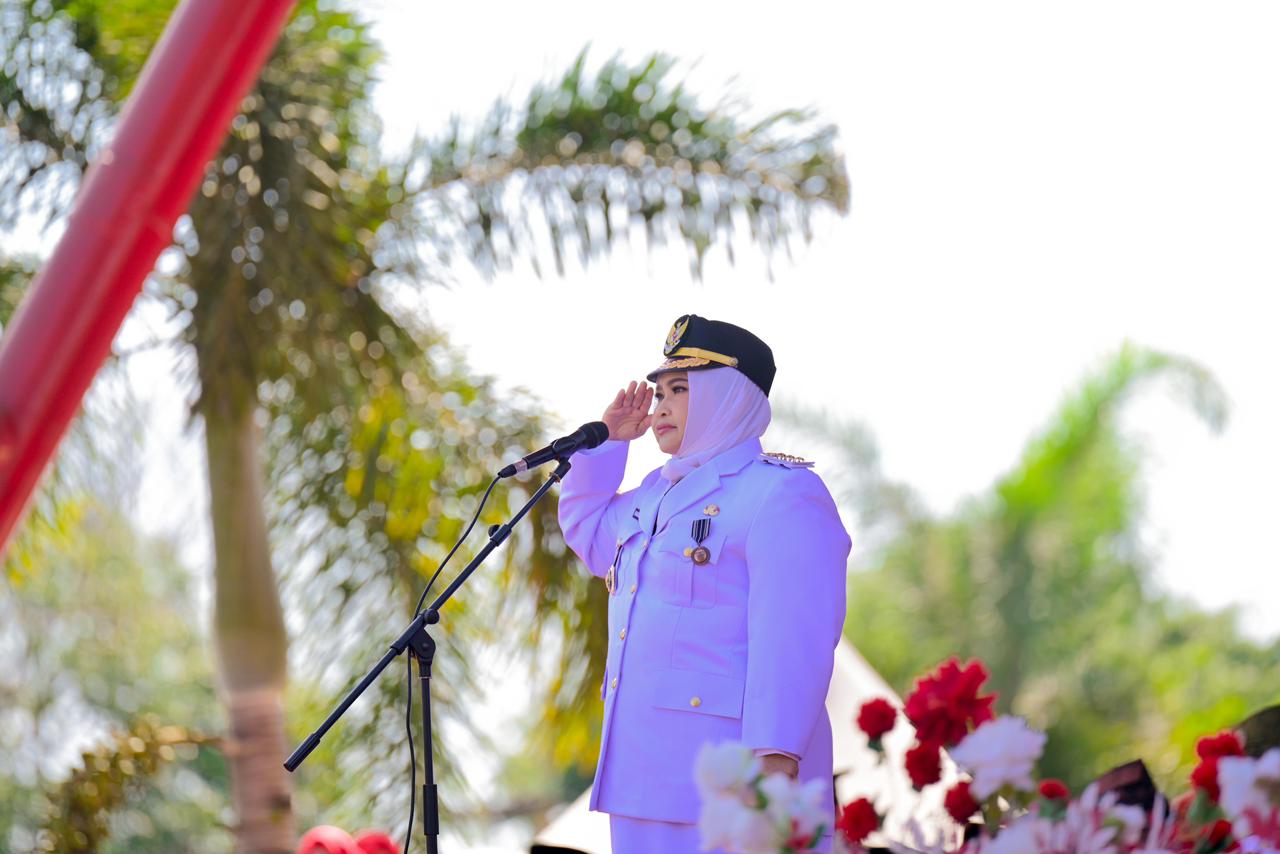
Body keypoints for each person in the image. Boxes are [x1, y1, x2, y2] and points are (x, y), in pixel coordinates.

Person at [557, 314, 852, 853]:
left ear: (728, 396)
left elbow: (793, 644)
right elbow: (590, 536)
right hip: (638, 782)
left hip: (734, 788)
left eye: (680, 389)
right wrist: (606, 448)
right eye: (659, 390)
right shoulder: (651, 495)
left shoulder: (780, 494)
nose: (660, 405)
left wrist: (774, 769)